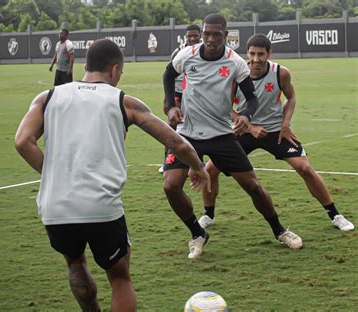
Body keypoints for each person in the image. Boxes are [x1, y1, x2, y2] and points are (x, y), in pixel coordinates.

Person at [15, 39, 210, 312]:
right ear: (115, 69)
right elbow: (177, 142)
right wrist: (198, 167)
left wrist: (53, 174)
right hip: (101, 206)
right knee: (119, 277)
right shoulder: (123, 102)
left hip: (56, 206)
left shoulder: (47, 97)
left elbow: (23, 141)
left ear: (86, 66)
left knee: (76, 263)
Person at [162, 14, 303, 259]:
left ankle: (280, 231)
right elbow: (168, 75)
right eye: (207, 33)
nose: (210, 38)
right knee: (171, 186)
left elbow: (251, 98)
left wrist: (246, 116)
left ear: (226, 36)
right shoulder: (187, 54)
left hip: (221, 136)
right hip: (187, 135)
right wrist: (171, 106)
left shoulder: (235, 63)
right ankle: (197, 233)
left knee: (252, 186)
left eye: (217, 34)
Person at [200, 34, 354, 232]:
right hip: (242, 130)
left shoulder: (281, 72)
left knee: (305, 168)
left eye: (261, 54)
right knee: (210, 170)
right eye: (252, 54)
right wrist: (250, 127)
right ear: (247, 53)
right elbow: (224, 108)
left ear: (269, 54)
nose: (256, 59)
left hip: (276, 130)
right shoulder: (235, 75)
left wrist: (286, 124)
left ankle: (335, 215)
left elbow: (291, 98)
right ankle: (208, 215)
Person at [159, 24, 201, 173]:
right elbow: (169, 74)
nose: (192, 38)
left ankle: (197, 159)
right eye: (190, 36)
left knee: (198, 125)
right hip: (179, 91)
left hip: (196, 93)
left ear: (200, 35)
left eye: (195, 35)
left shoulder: (204, 51)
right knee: (173, 123)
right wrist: (169, 101)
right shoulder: (179, 52)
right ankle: (167, 160)